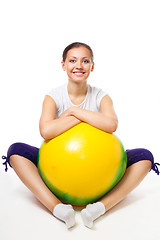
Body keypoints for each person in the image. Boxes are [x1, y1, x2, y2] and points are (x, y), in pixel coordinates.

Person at [2, 42, 160, 229]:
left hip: (101, 165)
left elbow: (111, 124)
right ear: (63, 65)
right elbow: (46, 131)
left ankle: (100, 207)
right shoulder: (53, 97)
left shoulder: (101, 96)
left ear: (92, 66)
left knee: (145, 157)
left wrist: (73, 112)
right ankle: (57, 207)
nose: (79, 65)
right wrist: (91, 118)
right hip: (57, 165)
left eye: (85, 61)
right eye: (72, 60)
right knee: (16, 151)